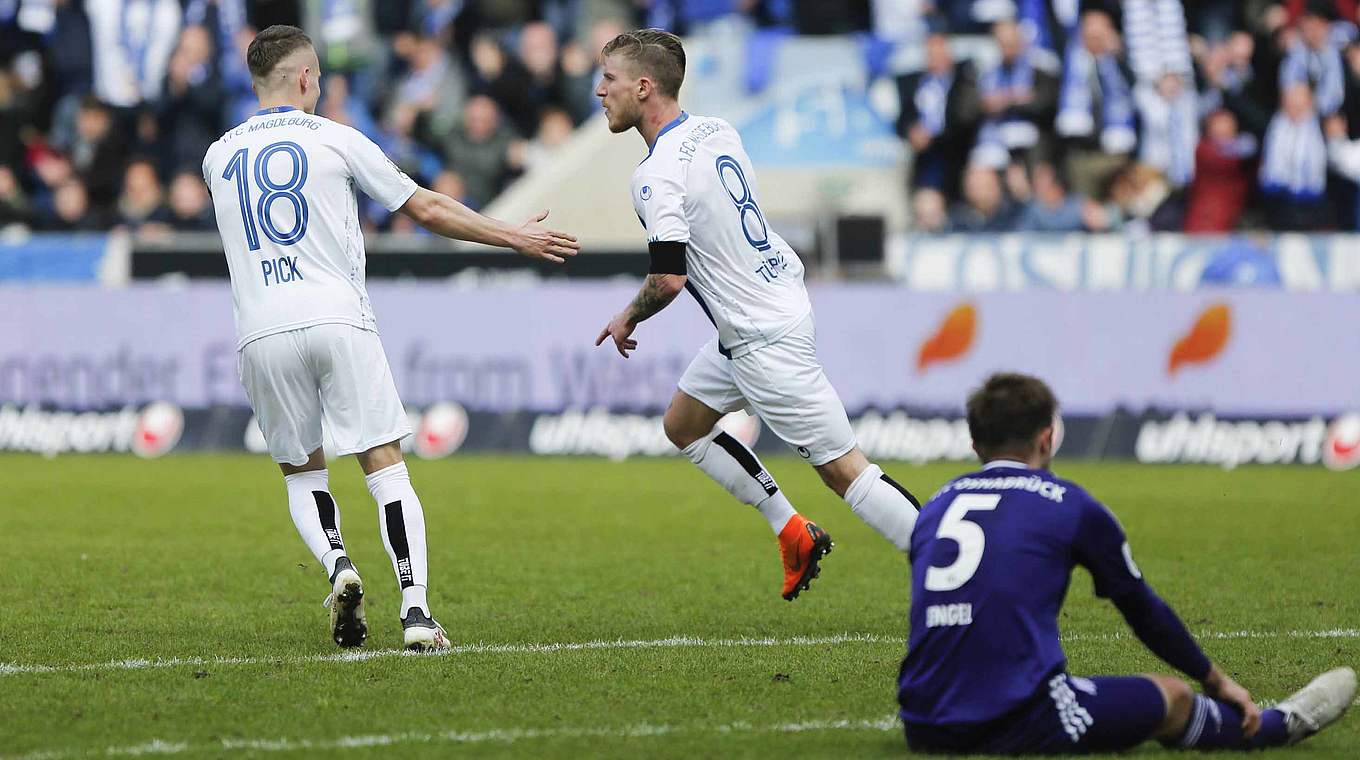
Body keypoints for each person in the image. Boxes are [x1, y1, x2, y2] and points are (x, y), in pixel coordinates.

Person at [202, 25, 579, 651]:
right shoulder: (337, 138)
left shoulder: (217, 156)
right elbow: (426, 208)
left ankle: (339, 567)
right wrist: (514, 236)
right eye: (317, 76)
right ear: (303, 78)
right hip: (336, 316)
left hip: (260, 328)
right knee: (384, 467)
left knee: (302, 474)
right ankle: (416, 612)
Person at [592, 29, 922, 601]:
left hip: (760, 337)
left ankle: (954, 567)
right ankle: (791, 530)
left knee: (847, 471)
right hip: (769, 304)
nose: (600, 91)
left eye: (610, 79)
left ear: (644, 87)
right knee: (684, 424)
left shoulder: (655, 175)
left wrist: (629, 317)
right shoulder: (716, 128)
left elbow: (669, 278)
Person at [898, 372, 1356, 754]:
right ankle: (1279, 726)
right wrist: (1212, 679)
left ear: (976, 443)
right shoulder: (1069, 504)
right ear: (1047, 437)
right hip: (1018, 719)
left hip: (921, 719)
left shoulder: (937, 505)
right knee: (1172, 697)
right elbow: (1141, 608)